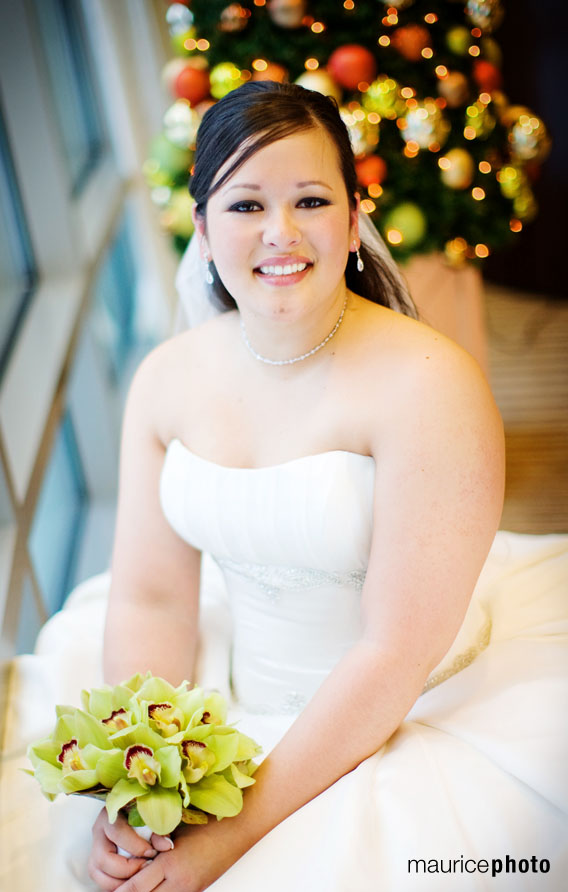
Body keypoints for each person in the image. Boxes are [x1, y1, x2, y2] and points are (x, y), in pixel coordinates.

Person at [85, 82, 566, 891]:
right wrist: (145, 779)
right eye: (245, 206)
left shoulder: (429, 384)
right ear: (202, 231)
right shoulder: (165, 381)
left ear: (352, 219)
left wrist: (225, 835)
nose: (280, 233)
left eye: (310, 199)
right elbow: (150, 601)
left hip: (411, 713)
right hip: (228, 701)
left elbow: (392, 653)